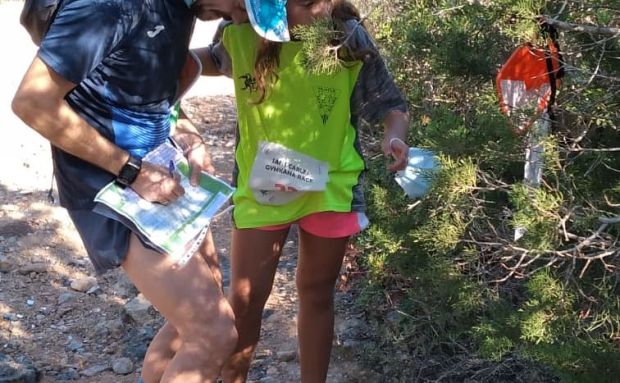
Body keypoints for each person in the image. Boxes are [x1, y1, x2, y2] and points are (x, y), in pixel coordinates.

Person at [11, 1, 247, 382]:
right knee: (214, 333)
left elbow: (151, 86)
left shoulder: (184, 8)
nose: (235, 18)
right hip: (110, 183)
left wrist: (187, 131)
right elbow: (32, 103)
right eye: (240, 5)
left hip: (155, 169)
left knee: (202, 306)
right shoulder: (111, 5)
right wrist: (132, 170)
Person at [193, 0, 410, 380]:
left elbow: (389, 103)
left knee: (315, 292)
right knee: (244, 302)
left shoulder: (347, 38)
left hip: (331, 187)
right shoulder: (241, 29)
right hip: (261, 188)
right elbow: (212, 59)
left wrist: (395, 137)